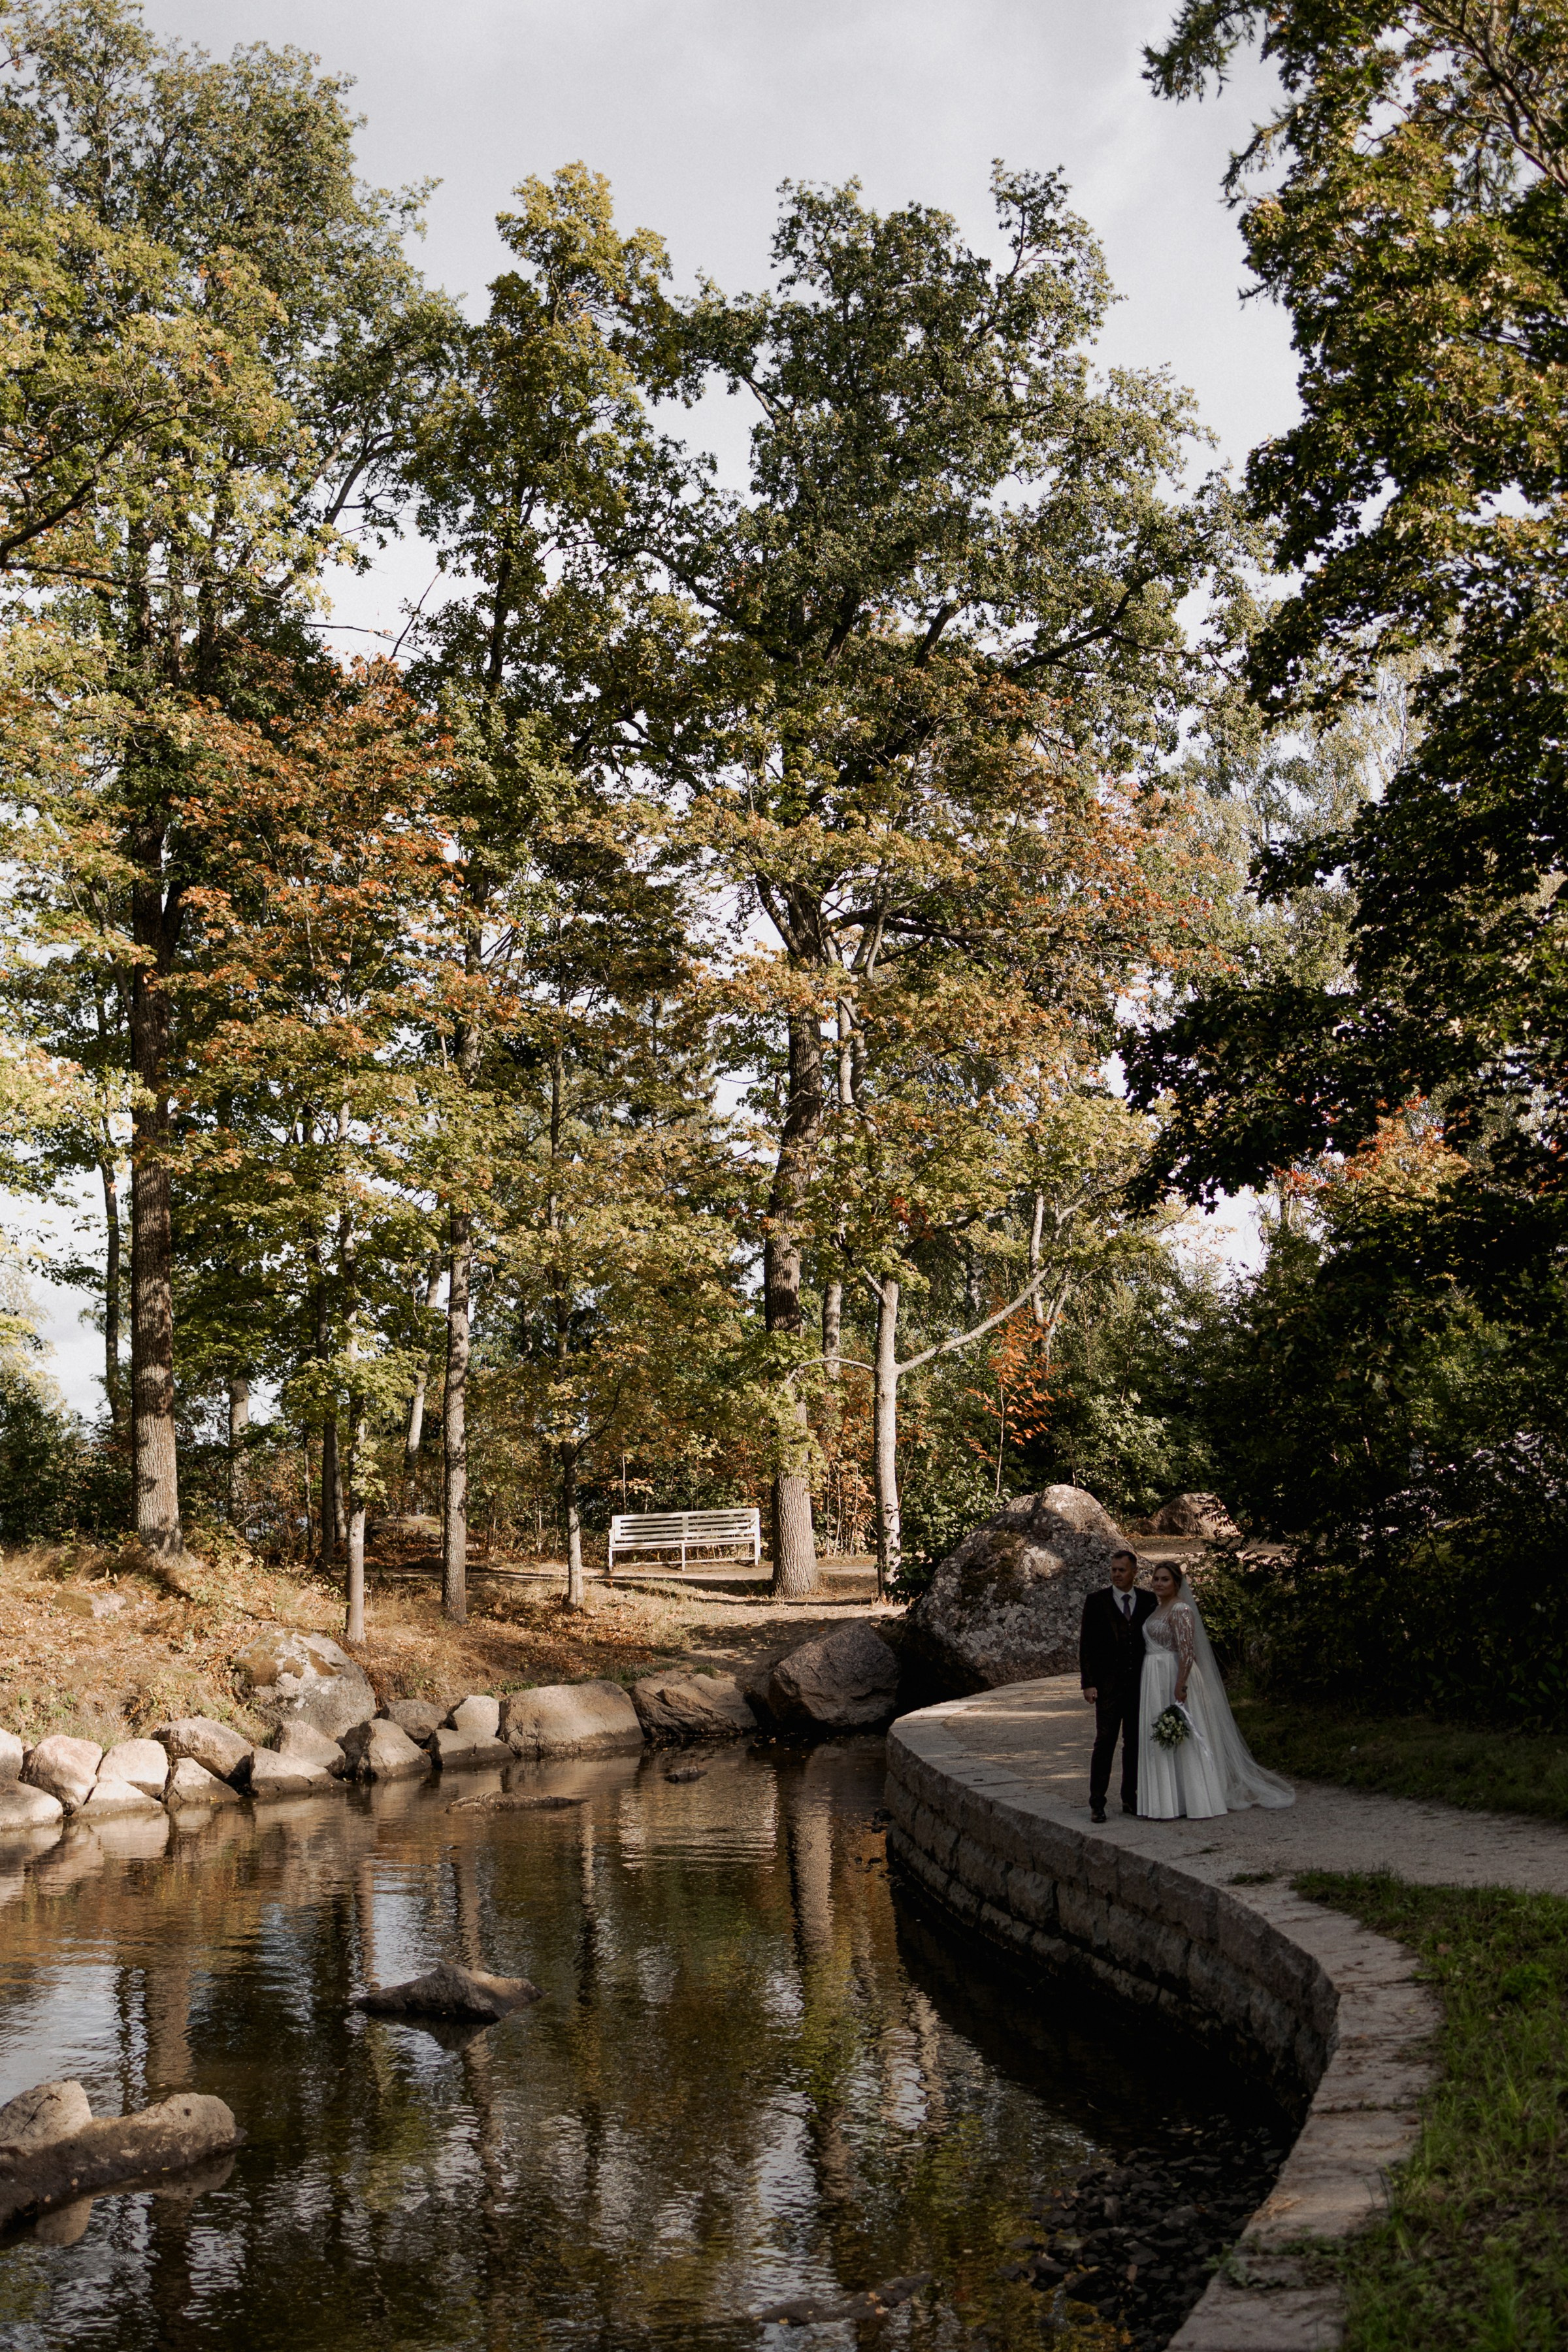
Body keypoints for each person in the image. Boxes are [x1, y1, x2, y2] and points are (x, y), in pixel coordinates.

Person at [1136, 1561, 1294, 1820]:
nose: (1159, 1584)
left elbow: (1187, 1651)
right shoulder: (1156, 1610)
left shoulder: (1180, 1609)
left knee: (1186, 1737)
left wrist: (1181, 1684)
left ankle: (1197, 1800)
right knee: (1162, 1735)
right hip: (1154, 1677)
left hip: (1174, 1675)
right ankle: (1168, 1802)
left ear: (1176, 1583)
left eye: (1165, 1579)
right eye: (1156, 1579)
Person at [1079, 1547, 1156, 1823]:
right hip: (1108, 1686)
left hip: (1139, 1685)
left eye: (1122, 1570)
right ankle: (1097, 1802)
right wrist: (1088, 1684)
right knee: (1105, 1742)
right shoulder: (1096, 1601)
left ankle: (1130, 1798)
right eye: (1113, 1570)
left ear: (1134, 1572)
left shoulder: (1148, 1601)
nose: (1116, 1574)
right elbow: (1087, 1645)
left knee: (1134, 1743)